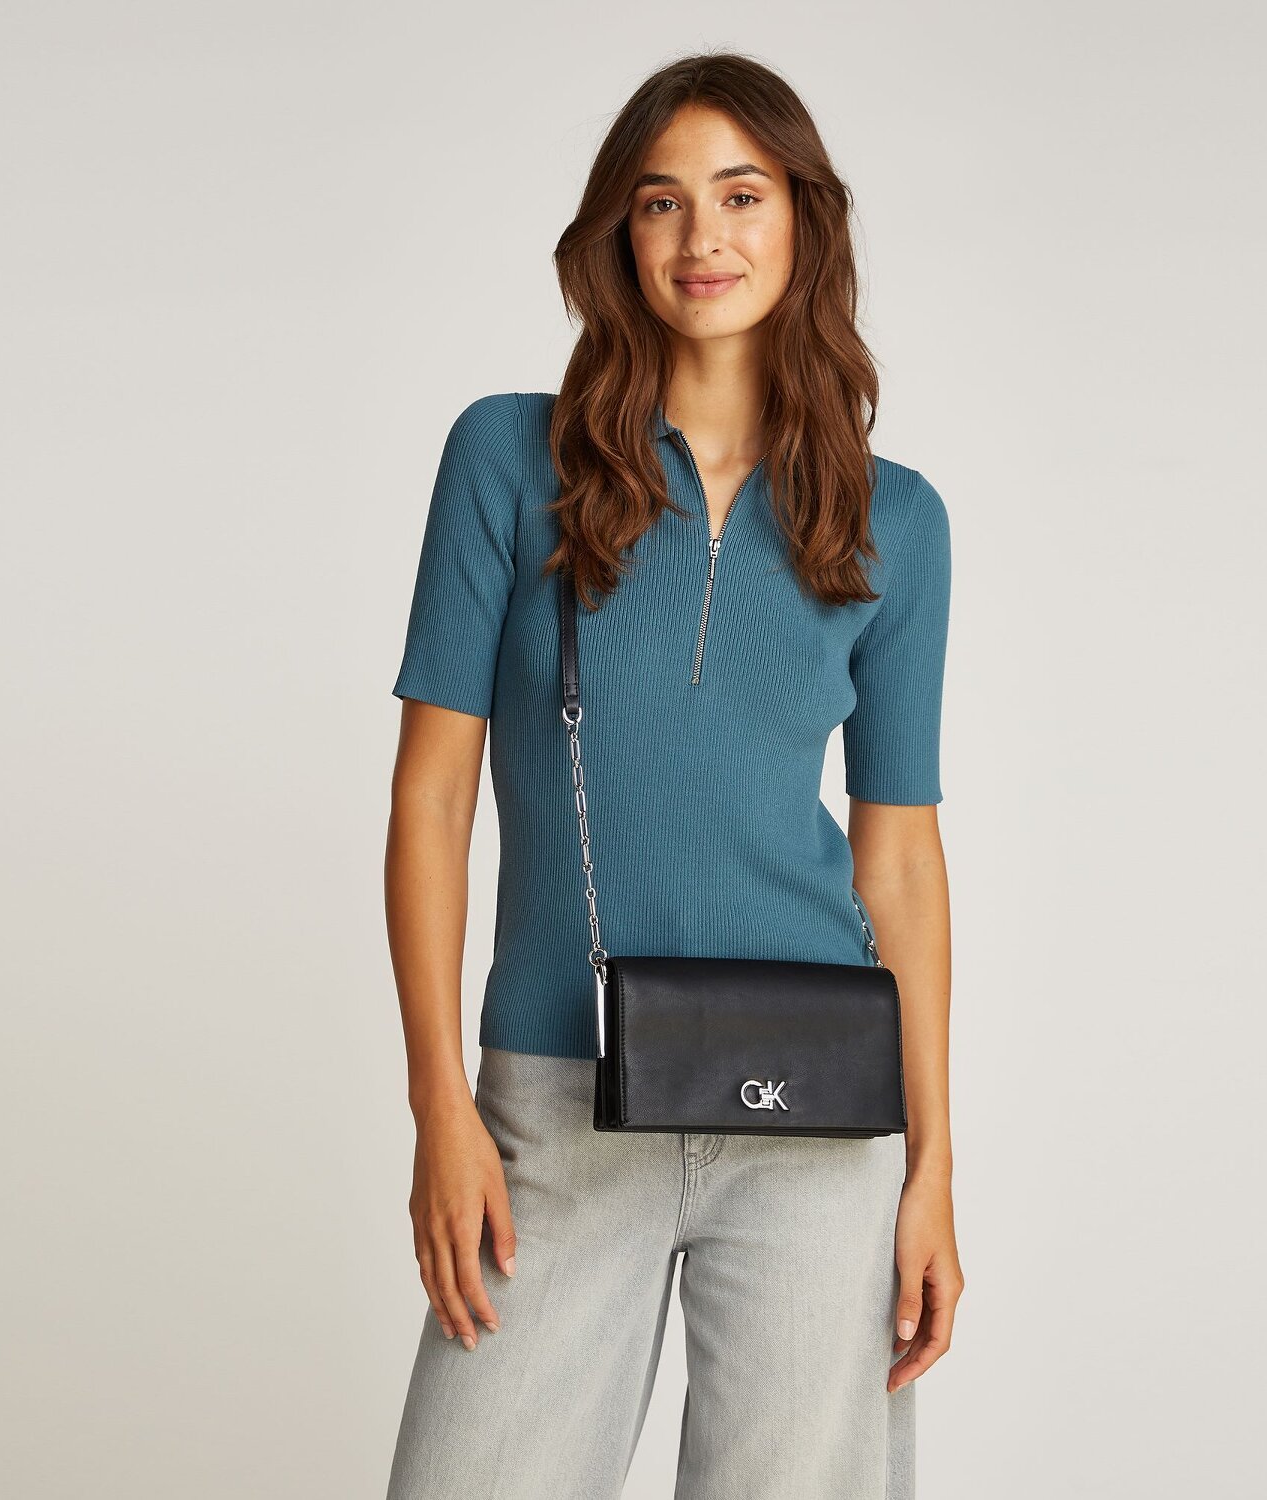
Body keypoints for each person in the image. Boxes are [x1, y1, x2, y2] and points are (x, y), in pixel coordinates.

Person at [382, 52, 962, 1500]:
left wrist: (932, 1167)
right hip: (555, 1097)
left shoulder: (896, 520)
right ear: (619, 236)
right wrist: (441, 1107)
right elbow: (432, 798)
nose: (703, 237)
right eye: (662, 202)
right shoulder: (508, 458)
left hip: (822, 1122)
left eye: (741, 196)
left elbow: (899, 854)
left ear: (804, 221)